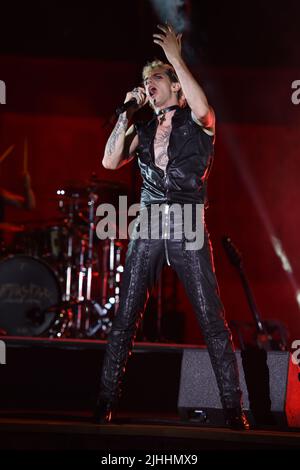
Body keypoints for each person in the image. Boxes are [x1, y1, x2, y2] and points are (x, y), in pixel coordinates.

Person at [95, 24, 249, 430]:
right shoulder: (142, 128)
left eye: (157, 78)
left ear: (176, 87)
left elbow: (204, 109)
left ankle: (233, 410)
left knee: (210, 318)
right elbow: (110, 161)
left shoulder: (196, 120)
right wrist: (127, 112)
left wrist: (176, 59)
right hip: (148, 223)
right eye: (146, 80)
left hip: (187, 223)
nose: (150, 83)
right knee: (125, 317)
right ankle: (105, 402)